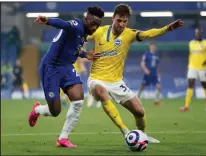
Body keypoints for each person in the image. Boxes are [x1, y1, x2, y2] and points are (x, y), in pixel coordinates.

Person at [86, 4, 183, 143]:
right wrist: (82, 52)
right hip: (96, 79)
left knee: (139, 111)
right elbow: (81, 36)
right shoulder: (99, 32)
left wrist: (167, 28)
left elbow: (148, 33)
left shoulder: (129, 34)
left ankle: (143, 136)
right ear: (113, 18)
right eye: (119, 20)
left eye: (125, 21)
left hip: (116, 82)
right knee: (102, 92)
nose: (122, 24)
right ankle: (126, 132)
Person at [28, 6, 104, 148]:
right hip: (51, 68)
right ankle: (37, 110)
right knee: (55, 111)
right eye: (93, 24)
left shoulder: (83, 34)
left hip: (67, 67)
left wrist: (84, 54)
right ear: (86, 20)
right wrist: (48, 20)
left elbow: (73, 47)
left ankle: (63, 138)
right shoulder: (76, 25)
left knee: (78, 100)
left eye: (97, 25)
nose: (95, 28)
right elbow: (63, 24)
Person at [180, 28, 206, 112]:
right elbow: (191, 55)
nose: (198, 34)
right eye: (197, 33)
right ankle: (186, 106)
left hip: (202, 68)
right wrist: (189, 65)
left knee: (204, 85)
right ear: (195, 34)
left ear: (201, 34)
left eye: (199, 33)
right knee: (190, 84)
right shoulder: (191, 43)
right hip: (192, 67)